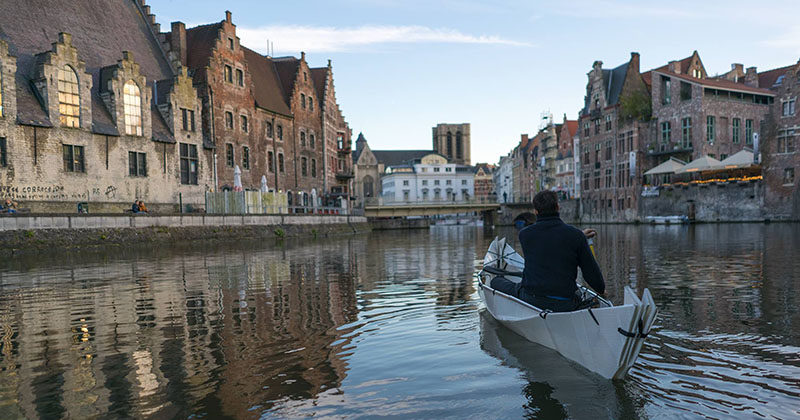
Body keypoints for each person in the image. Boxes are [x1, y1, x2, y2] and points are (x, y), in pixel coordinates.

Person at [491, 190, 604, 312]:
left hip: (531, 298)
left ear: (535, 211)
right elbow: (591, 274)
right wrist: (601, 289)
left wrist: (579, 236)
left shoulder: (524, 235)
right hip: (565, 302)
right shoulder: (575, 236)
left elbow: (547, 241)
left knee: (495, 281)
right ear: (557, 207)